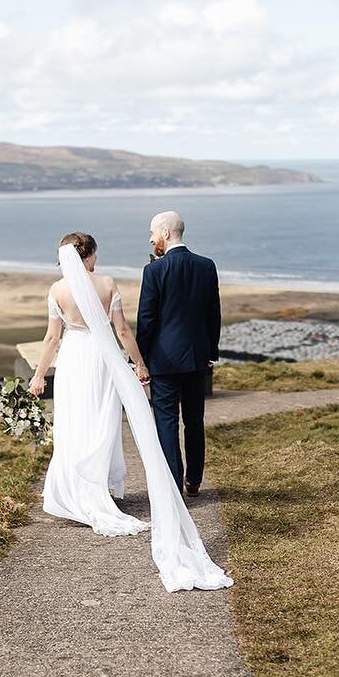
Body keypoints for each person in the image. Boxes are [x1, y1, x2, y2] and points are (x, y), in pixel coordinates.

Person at [28, 231, 231, 592]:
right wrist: (139, 364)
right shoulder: (106, 284)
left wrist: (40, 374)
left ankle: (77, 492)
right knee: (104, 422)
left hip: (74, 362)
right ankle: (104, 488)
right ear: (91, 254)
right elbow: (122, 330)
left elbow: (51, 338)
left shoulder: (58, 290)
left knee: (74, 422)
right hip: (103, 360)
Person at [134, 211, 221, 496]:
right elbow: (213, 314)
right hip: (197, 358)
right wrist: (210, 351)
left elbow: (146, 320)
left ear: (166, 234)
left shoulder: (154, 271)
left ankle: (173, 485)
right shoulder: (207, 266)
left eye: (152, 232)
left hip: (163, 362)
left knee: (167, 422)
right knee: (194, 421)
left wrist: (140, 359)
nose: (150, 238)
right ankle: (194, 481)